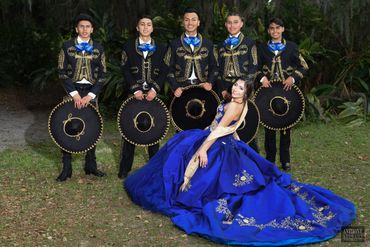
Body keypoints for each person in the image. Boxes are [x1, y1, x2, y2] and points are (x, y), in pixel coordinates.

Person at [124, 79, 355, 246]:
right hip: (221, 140)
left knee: (186, 156)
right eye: (235, 85)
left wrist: (203, 150)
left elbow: (220, 129)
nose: (236, 88)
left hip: (215, 141)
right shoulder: (238, 103)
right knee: (180, 148)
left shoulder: (234, 105)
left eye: (241, 87)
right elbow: (228, 129)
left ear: (247, 93)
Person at [56, 13, 106, 181]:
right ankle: (66, 168)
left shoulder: (99, 48)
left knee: (92, 127)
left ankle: (91, 166)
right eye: (82, 26)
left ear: (92, 29)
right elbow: (61, 72)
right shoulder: (66, 46)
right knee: (68, 127)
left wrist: (91, 95)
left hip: (91, 92)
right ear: (77, 29)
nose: (85, 29)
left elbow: (103, 74)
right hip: (72, 91)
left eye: (88, 27)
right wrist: (75, 94)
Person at [118, 15, 168, 179]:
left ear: (152, 28)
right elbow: (125, 70)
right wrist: (135, 89)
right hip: (134, 95)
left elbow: (164, 70)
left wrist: (155, 88)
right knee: (130, 130)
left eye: (149, 25)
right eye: (142, 24)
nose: (146, 27)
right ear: (137, 28)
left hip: (153, 95)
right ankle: (125, 168)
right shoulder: (128, 46)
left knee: (154, 130)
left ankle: (154, 168)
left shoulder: (161, 47)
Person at [256, 17, 309, 171]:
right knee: (269, 127)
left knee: (286, 127)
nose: (275, 31)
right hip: (268, 93)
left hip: (287, 93)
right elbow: (256, 67)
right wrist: (262, 78)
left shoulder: (292, 47)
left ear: (283, 29)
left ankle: (285, 160)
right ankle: (270, 159)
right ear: (268, 31)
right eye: (272, 28)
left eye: (278, 28)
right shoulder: (262, 48)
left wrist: (293, 78)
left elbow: (304, 66)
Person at [217, 12, 259, 152]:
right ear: (225, 25)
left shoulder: (249, 42)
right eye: (229, 22)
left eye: (235, 22)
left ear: (241, 24)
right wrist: (223, 89)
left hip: (243, 90)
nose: (232, 25)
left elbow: (254, 67)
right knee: (226, 125)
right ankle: (230, 157)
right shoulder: (221, 45)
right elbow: (217, 69)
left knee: (247, 125)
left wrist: (244, 89)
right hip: (226, 91)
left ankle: (253, 158)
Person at [164, 7, 218, 98]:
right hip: (181, 89)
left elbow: (215, 67)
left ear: (198, 22)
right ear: (183, 22)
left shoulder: (208, 44)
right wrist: (175, 86)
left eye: (193, 20)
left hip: (203, 88)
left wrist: (210, 83)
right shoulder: (174, 44)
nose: (190, 23)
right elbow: (168, 68)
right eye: (187, 20)